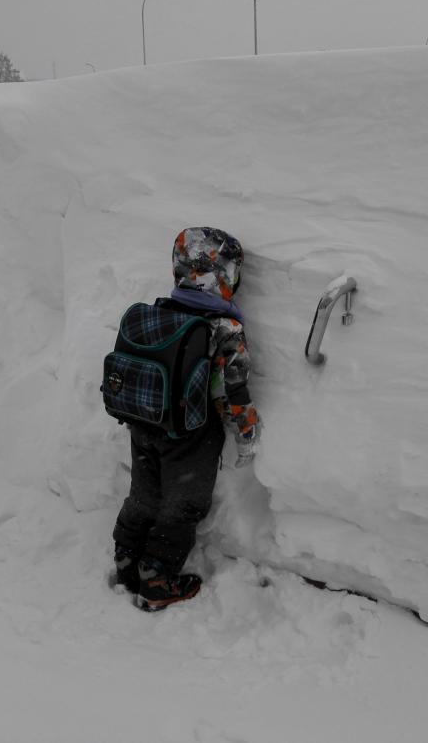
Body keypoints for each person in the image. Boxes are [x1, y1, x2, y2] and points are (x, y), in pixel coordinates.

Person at [111, 227, 260, 611]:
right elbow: (233, 392)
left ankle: (126, 557)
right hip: (191, 434)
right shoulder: (225, 329)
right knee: (183, 506)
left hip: (145, 419)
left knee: (144, 495)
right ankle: (157, 577)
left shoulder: (162, 312)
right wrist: (246, 433)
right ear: (226, 276)